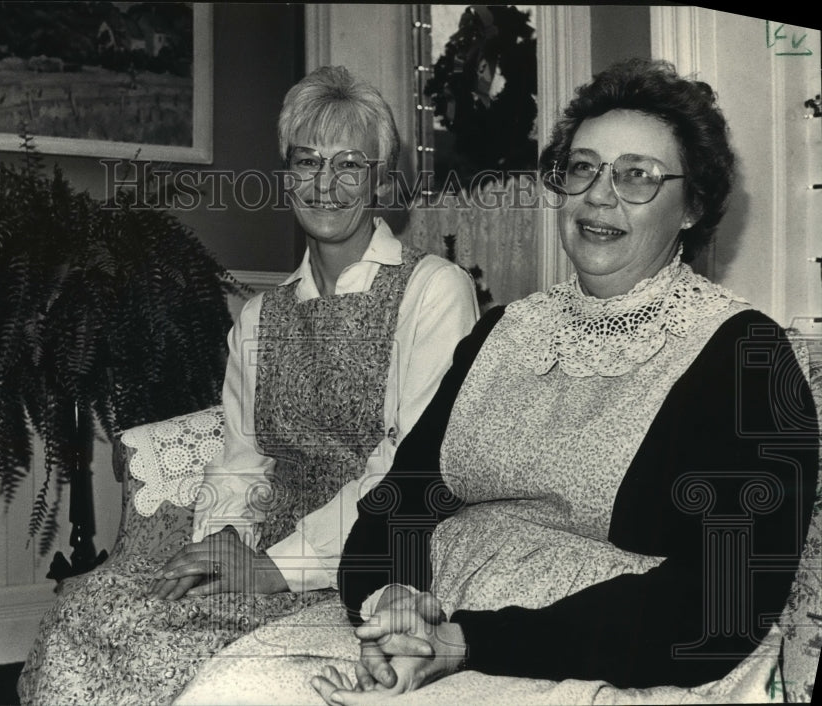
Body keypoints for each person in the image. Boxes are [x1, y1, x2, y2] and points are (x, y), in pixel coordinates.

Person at [175, 58, 819, 705]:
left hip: (607, 656)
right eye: (583, 168)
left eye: (637, 177)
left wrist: (464, 641)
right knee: (227, 690)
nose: (600, 194)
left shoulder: (747, 358)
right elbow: (395, 505)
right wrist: (394, 599)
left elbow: (718, 607)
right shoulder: (503, 332)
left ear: (693, 205)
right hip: (432, 626)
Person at [17, 65, 478, 705]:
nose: (324, 183)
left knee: (161, 649)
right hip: (264, 548)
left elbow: (406, 471)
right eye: (307, 161)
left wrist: (272, 570)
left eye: (349, 164)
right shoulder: (262, 315)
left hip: (371, 562)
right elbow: (240, 457)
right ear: (286, 174)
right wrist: (224, 540)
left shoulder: (433, 290)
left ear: (381, 179)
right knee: (88, 608)